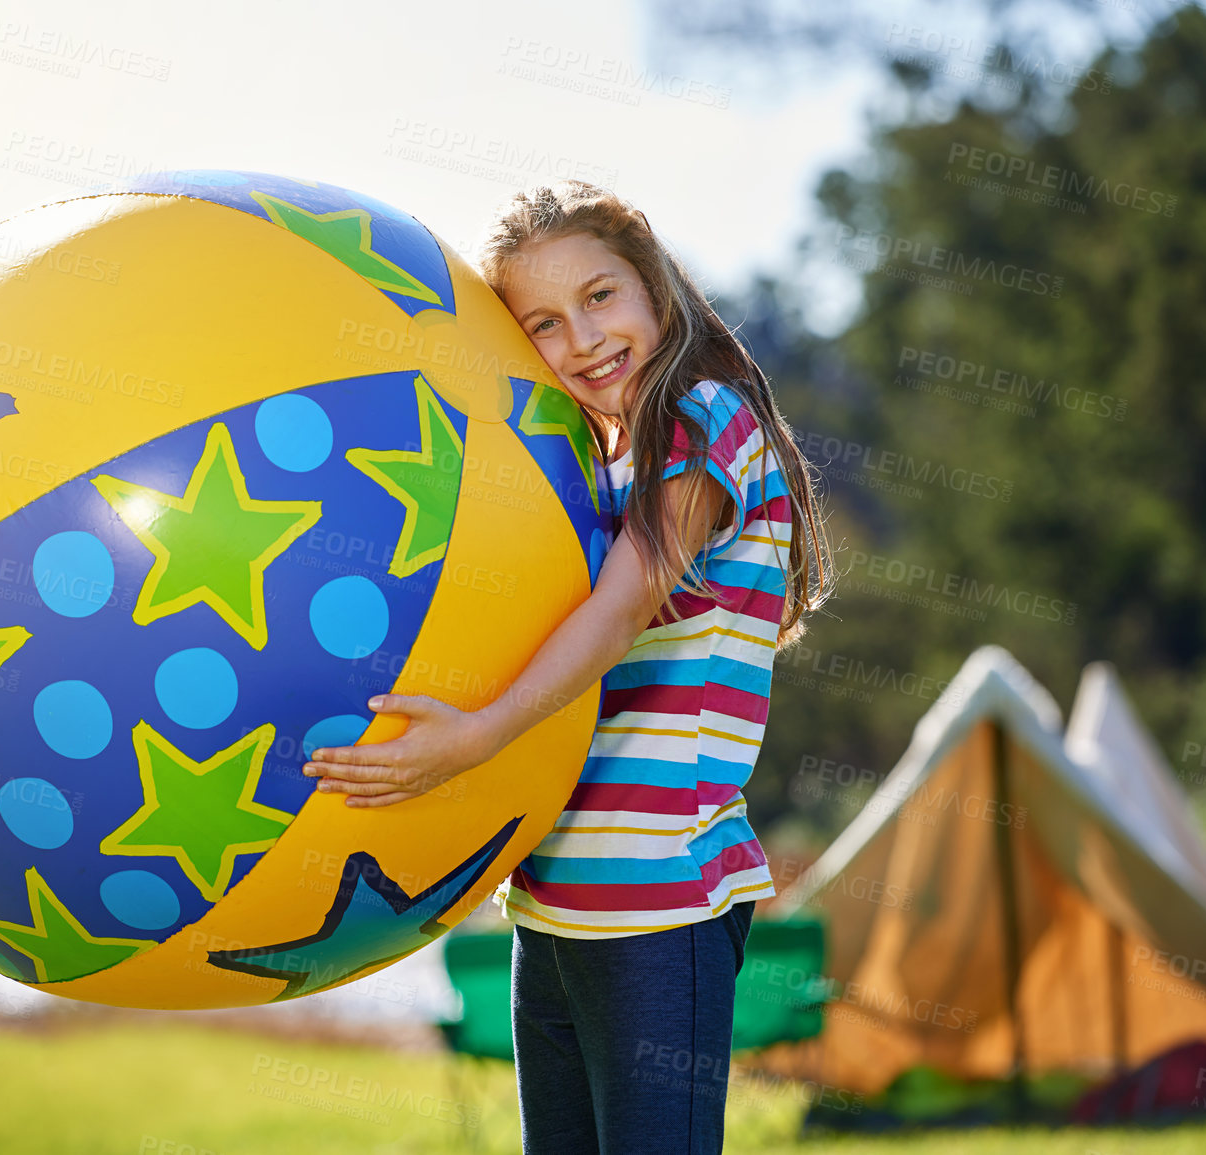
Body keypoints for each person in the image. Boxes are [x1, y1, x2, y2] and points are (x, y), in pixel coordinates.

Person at [304, 180, 836, 1152]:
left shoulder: (702, 419)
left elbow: (621, 605)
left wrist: (476, 738)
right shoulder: (599, 466)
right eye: (542, 323)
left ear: (654, 287)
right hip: (550, 905)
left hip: (660, 907)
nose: (583, 338)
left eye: (600, 296)